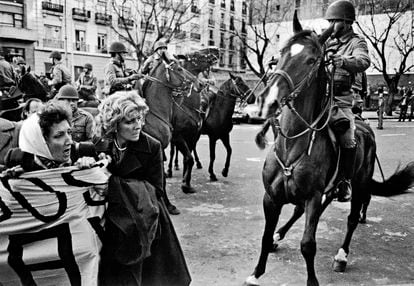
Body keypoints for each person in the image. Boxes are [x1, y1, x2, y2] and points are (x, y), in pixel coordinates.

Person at [95, 91, 191, 286]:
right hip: (111, 221)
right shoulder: (101, 144)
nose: (138, 125)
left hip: (144, 222)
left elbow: (156, 191)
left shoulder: (153, 146)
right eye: (130, 122)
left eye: (139, 119)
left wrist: (112, 184)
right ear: (115, 124)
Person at [324, 0, 370, 202]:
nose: (330, 25)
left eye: (334, 21)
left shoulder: (357, 42)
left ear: (346, 22)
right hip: (322, 98)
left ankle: (345, 182)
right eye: (329, 21)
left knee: (347, 137)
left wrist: (344, 61)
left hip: (342, 101)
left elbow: (364, 61)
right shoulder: (327, 41)